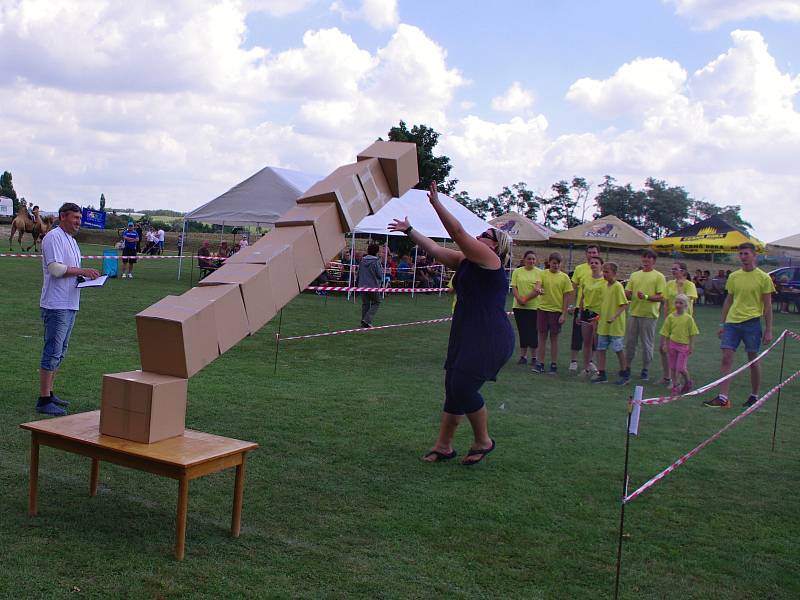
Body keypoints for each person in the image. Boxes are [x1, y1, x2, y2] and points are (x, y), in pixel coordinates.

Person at [389, 181, 513, 466]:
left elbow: (456, 233)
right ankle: (443, 446)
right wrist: (409, 230)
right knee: (453, 388)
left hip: (489, 337)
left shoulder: (491, 261)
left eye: (486, 234)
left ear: (496, 245)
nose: (480, 236)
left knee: (463, 388)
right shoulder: (466, 261)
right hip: (467, 334)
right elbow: (434, 248)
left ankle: (484, 440)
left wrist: (436, 204)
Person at [36, 202, 100, 416]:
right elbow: (55, 269)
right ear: (63, 217)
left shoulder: (71, 240)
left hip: (70, 302)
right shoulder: (53, 237)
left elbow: (70, 270)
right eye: (75, 218)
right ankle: (43, 399)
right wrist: (82, 270)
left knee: (60, 352)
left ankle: (50, 393)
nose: (78, 222)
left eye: (80, 219)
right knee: (52, 351)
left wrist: (85, 278)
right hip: (56, 304)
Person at [704, 243, 775, 408]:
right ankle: (723, 398)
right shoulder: (734, 276)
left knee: (753, 360)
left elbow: (768, 306)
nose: (743, 257)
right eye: (741, 254)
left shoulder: (764, 278)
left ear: (754, 255)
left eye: (746, 254)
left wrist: (769, 330)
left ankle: (754, 396)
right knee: (726, 358)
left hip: (752, 323)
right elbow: (728, 300)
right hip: (732, 323)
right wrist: (722, 323)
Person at [624, 249, 666, 382]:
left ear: (654, 260)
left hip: (649, 315)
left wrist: (646, 297)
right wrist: (628, 294)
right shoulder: (635, 275)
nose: (646, 260)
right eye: (644, 257)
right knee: (630, 343)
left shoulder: (659, 276)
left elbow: (661, 297)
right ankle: (627, 367)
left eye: (649, 258)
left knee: (646, 343)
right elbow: (628, 292)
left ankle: (645, 369)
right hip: (634, 313)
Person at [532, 252, 574, 375]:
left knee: (554, 338)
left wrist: (564, 314)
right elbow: (538, 285)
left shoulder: (565, 277)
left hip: (556, 311)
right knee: (542, 338)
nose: (556, 265)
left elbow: (567, 296)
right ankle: (540, 363)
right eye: (554, 263)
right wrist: (538, 289)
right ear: (549, 262)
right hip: (543, 310)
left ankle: (553, 364)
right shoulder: (543, 273)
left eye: (558, 263)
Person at [658, 262, 698, 387]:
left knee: (678, 350)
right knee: (663, 348)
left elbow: (686, 300)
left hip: (683, 321)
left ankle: (677, 381)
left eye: (676, 269)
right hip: (671, 319)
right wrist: (665, 318)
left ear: (683, 271)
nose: (673, 271)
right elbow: (665, 301)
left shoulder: (690, 285)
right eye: (672, 269)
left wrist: (680, 286)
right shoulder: (669, 283)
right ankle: (667, 377)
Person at [591, 262, 629, 384]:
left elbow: (623, 305)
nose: (604, 274)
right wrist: (598, 318)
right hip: (604, 325)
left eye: (607, 272)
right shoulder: (604, 286)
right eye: (603, 271)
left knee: (618, 349)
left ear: (614, 273)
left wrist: (614, 317)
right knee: (601, 348)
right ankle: (601, 373)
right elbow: (604, 304)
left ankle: (624, 373)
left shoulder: (618, 287)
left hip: (615, 326)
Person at [568, 244, 601, 373]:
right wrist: (571, 305)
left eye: (594, 253)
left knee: (593, 338)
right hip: (580, 307)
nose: (592, 255)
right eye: (590, 253)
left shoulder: (601, 270)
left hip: (596, 309)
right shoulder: (579, 269)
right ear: (586, 254)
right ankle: (574, 361)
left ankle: (590, 361)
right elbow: (573, 288)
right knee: (577, 335)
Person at [660, 293, 699, 396]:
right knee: (672, 367)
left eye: (680, 303)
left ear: (685, 305)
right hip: (672, 345)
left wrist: (691, 346)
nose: (678, 305)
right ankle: (676, 385)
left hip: (683, 346)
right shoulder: (670, 317)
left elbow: (692, 333)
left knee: (681, 368)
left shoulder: (688, 318)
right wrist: (665, 344)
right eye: (676, 302)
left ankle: (688, 381)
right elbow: (666, 332)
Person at [511, 250, 543, 365]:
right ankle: (523, 356)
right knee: (522, 331)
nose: (531, 261)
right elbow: (514, 287)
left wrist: (525, 299)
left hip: (534, 307)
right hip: (518, 307)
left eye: (533, 259)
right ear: (524, 259)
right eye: (529, 259)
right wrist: (519, 299)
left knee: (533, 332)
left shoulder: (540, 272)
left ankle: (534, 357)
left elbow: (537, 289)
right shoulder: (517, 271)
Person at [577, 256, 605, 377]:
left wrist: (601, 316)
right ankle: (586, 368)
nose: (593, 265)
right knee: (586, 342)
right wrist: (579, 312)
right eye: (592, 263)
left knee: (598, 343)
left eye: (596, 263)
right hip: (586, 312)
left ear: (601, 265)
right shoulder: (585, 279)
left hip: (598, 313)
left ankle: (600, 370)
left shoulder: (604, 280)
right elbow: (582, 296)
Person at [357, 243, 383, 328]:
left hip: (362, 285)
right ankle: (367, 320)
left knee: (366, 304)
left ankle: (364, 322)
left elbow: (358, 273)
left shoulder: (362, 260)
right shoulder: (376, 261)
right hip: (373, 286)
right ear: (376, 251)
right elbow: (379, 274)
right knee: (377, 302)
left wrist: (358, 282)